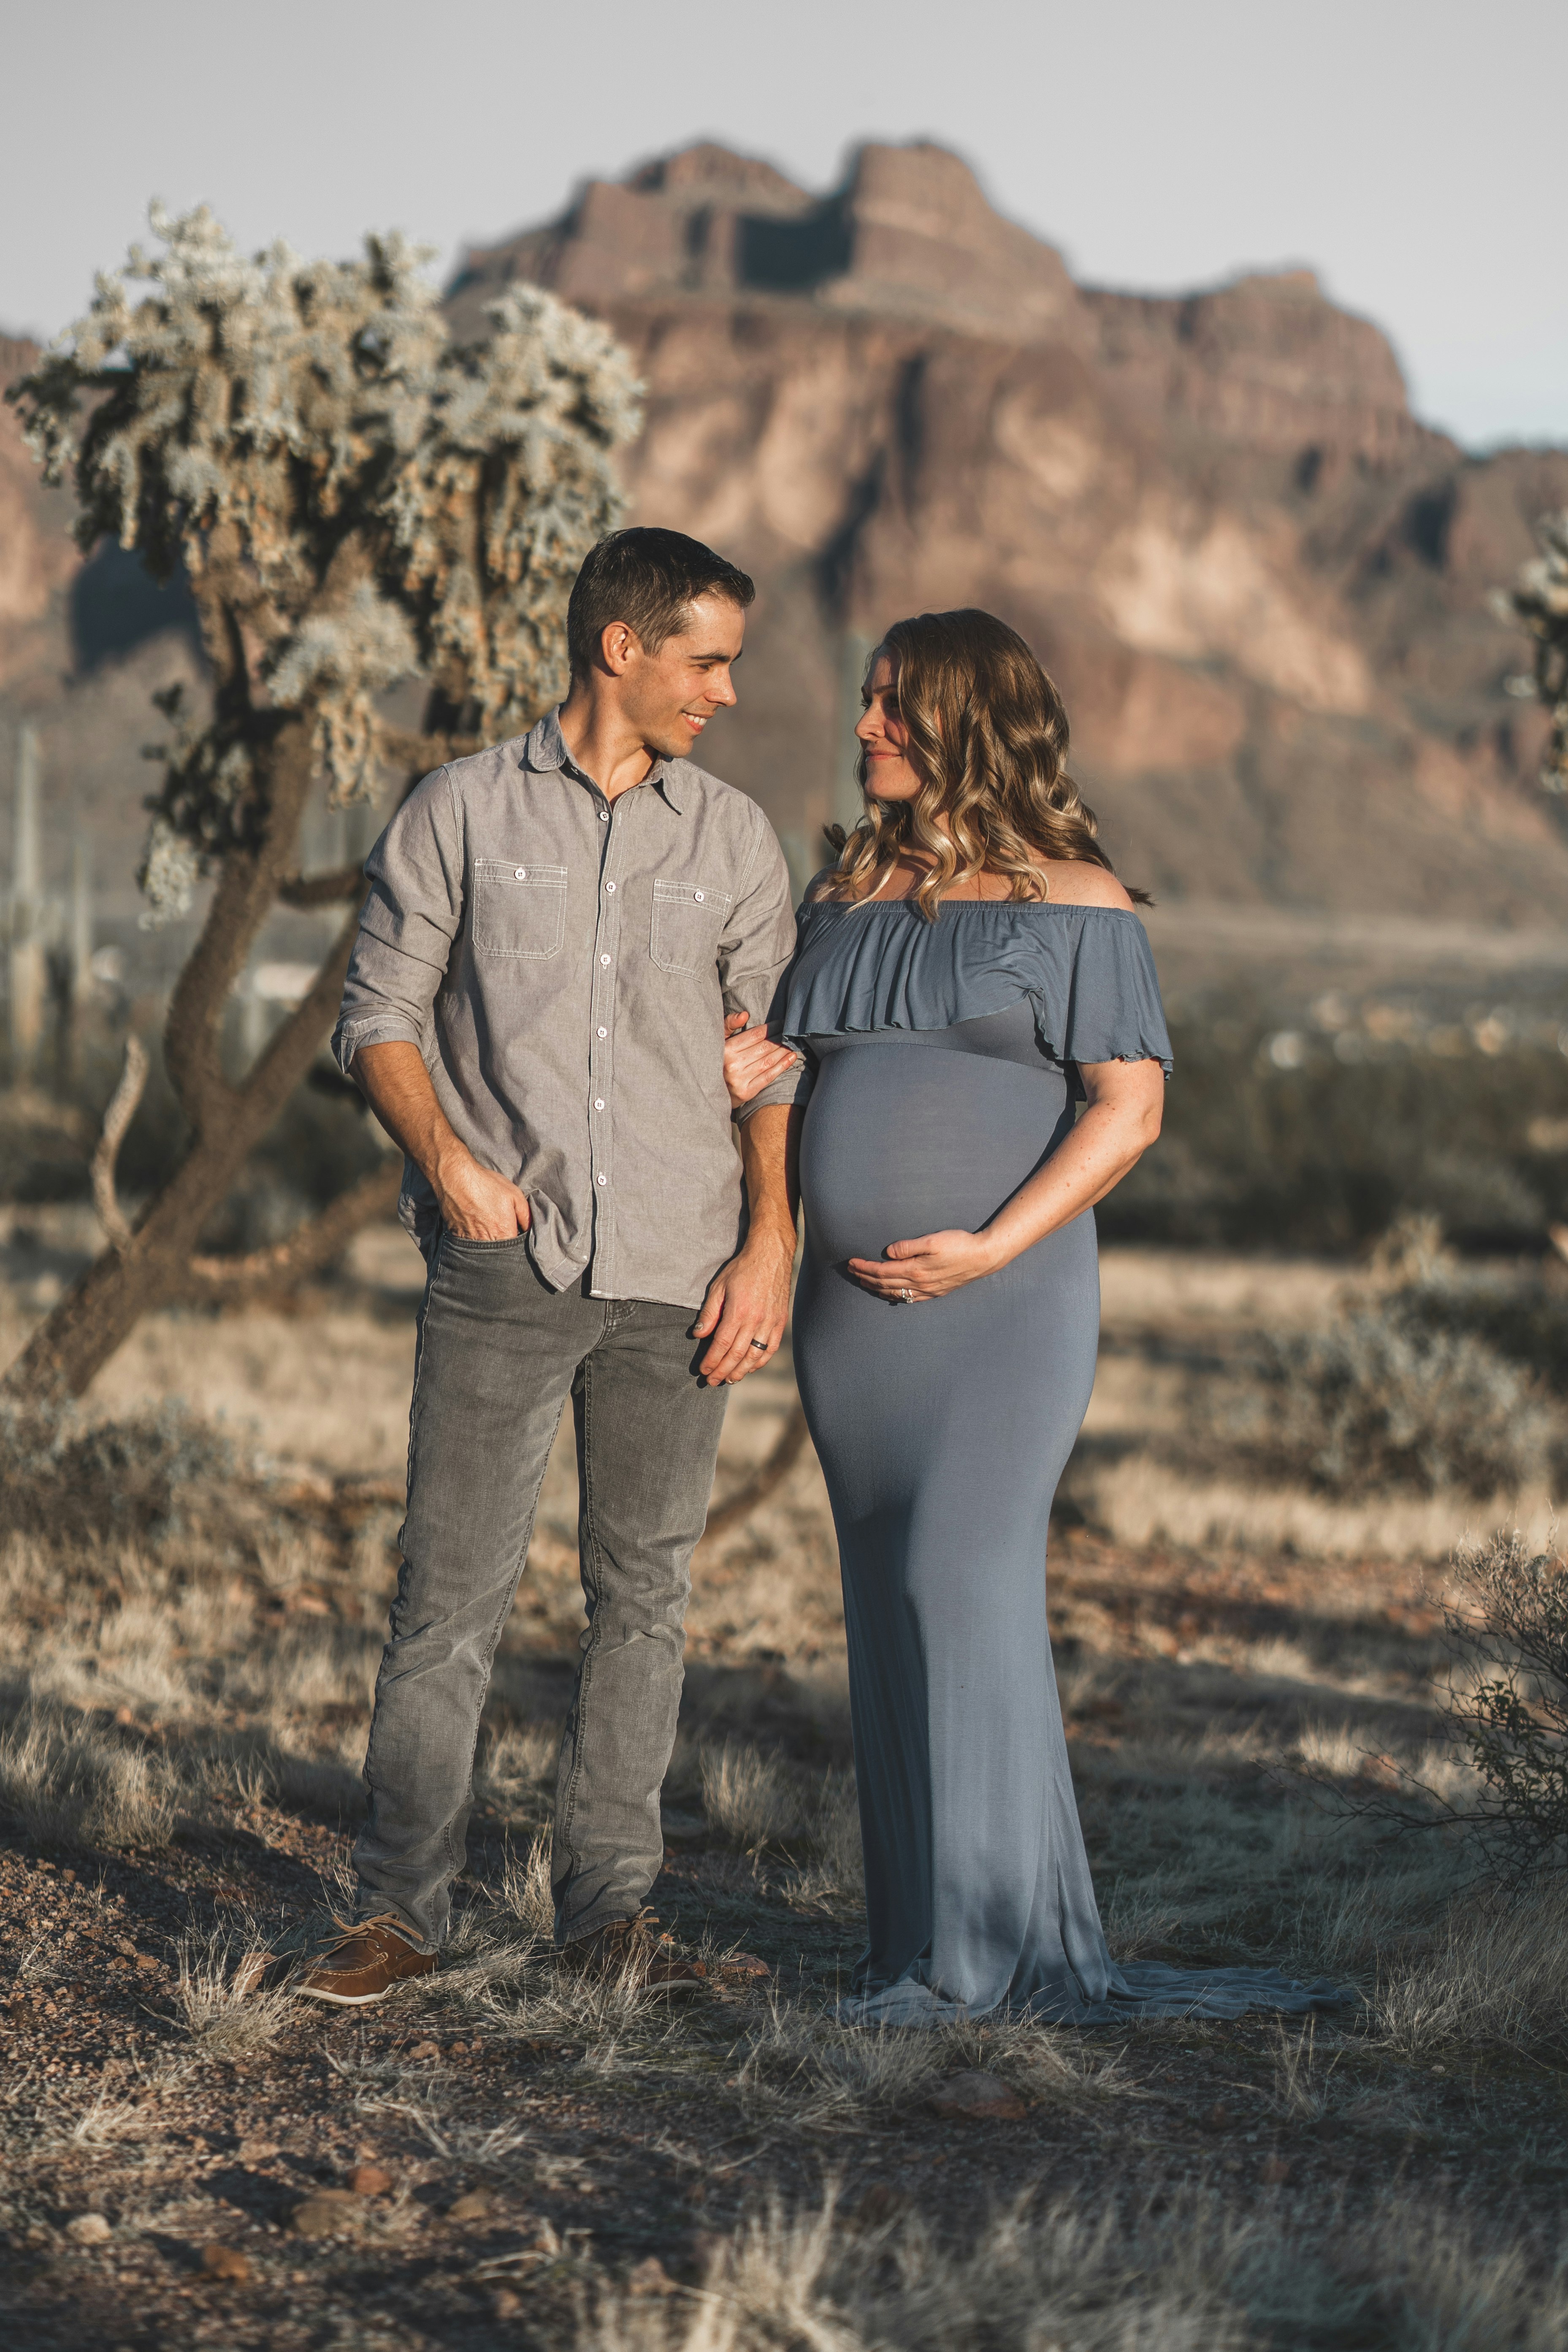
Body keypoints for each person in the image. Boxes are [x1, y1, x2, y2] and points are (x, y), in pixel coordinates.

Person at [725, 609, 1343, 2026]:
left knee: (959, 1576)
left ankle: (976, 1961)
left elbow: (1129, 1111)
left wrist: (989, 1247)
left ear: (964, 723)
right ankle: (922, 1947)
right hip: (850, 1319)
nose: (867, 725)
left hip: (1004, 1309)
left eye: (894, 706)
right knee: (884, 1601)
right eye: (869, 702)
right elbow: (793, 1083)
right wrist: (749, 1065)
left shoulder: (1079, 899)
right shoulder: (839, 899)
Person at [284, 527, 808, 2006]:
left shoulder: (734, 840)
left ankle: (608, 1916)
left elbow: (767, 1070)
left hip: (681, 1267)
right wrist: (452, 1170)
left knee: (642, 1601)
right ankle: (398, 1915)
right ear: (619, 647)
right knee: (448, 1599)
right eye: (705, 659)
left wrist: (769, 1241)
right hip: (502, 1268)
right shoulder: (457, 808)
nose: (722, 690)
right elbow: (375, 1014)